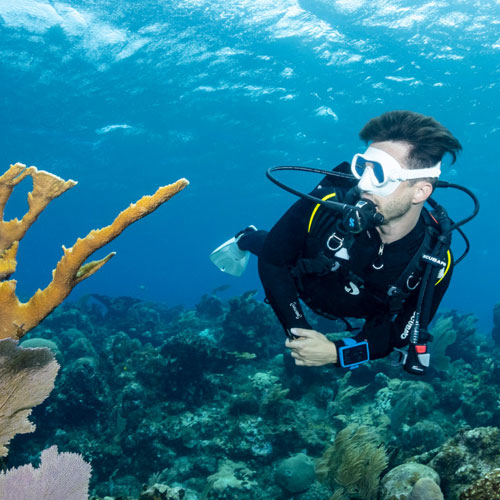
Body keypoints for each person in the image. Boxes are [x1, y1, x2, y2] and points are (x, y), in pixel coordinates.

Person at [210, 110, 462, 372]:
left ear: (420, 191)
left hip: (363, 306)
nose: (363, 184)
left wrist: (336, 353)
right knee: (269, 244)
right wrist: (300, 335)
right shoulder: (327, 204)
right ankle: (245, 236)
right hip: (306, 275)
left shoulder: (435, 260)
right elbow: (274, 261)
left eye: (380, 175)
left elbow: (397, 335)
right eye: (363, 167)